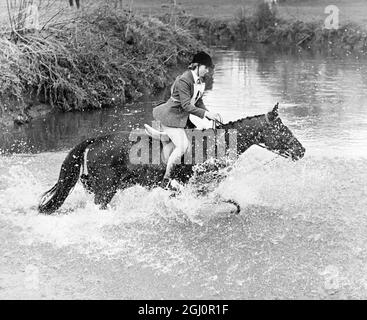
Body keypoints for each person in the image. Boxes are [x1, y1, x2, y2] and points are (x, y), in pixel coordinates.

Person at [152, 51, 222, 189]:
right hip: (171, 117)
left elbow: (198, 101)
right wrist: (206, 115)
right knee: (183, 146)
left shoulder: (199, 81)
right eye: (206, 68)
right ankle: (166, 179)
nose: (207, 71)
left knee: (198, 137)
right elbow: (186, 105)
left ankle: (184, 173)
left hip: (182, 118)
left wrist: (209, 113)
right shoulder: (185, 80)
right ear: (197, 65)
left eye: (209, 69)